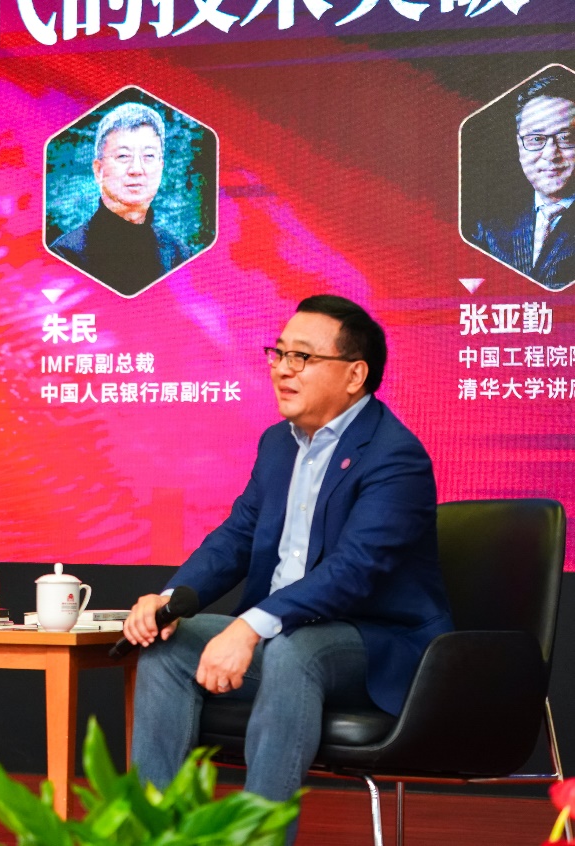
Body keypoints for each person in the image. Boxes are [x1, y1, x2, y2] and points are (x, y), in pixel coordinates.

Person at [124, 295, 453, 843]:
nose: (281, 369)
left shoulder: (395, 456)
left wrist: (249, 625)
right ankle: (153, 836)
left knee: (295, 651)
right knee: (167, 644)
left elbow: (354, 570)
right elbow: (237, 537)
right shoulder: (279, 444)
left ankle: (261, 838)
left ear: (354, 375)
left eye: (302, 357)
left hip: (376, 645)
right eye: (278, 353)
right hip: (283, 635)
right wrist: (172, 599)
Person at [50, 101, 189, 297]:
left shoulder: (178, 255)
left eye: (149, 156)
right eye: (123, 156)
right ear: (98, 170)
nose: (136, 169)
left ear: (161, 167)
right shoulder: (65, 256)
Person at [470, 71, 575, 290]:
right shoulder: (490, 230)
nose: (551, 154)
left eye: (566, 138)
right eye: (536, 139)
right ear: (520, 146)